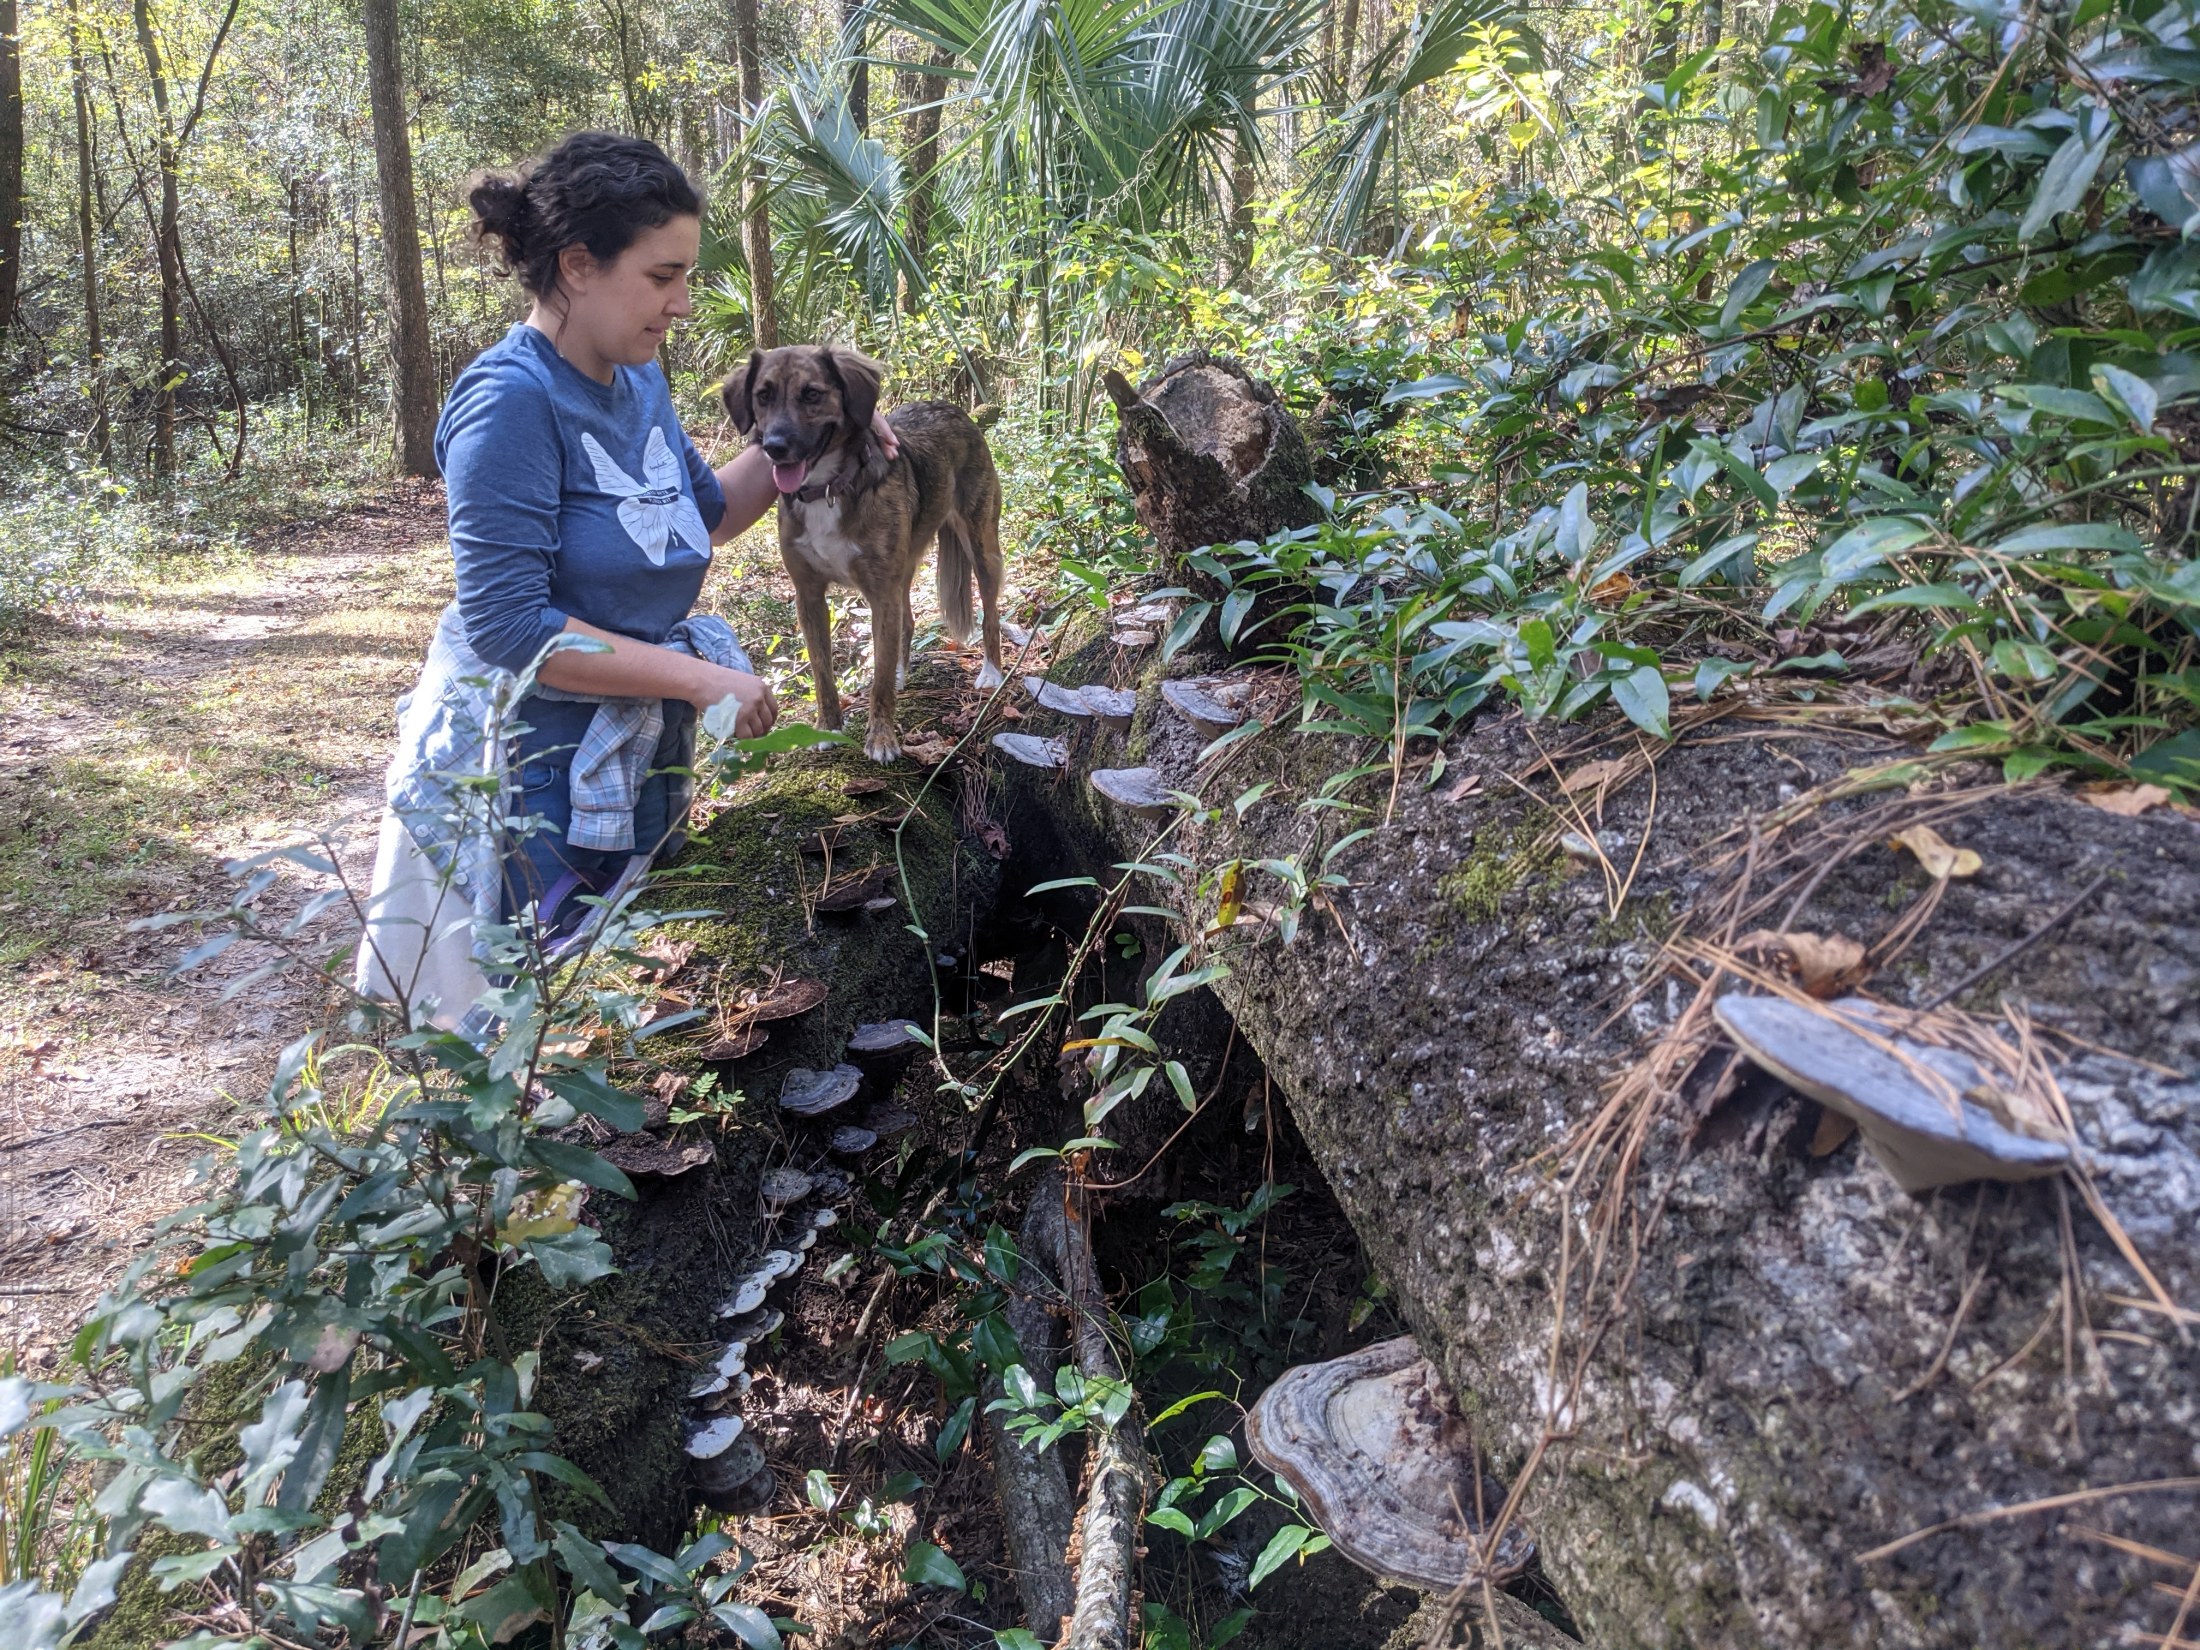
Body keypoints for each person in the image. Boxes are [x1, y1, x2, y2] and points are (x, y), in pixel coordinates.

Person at [354, 131, 896, 1032]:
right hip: (530, 773)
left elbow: (701, 515)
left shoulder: (634, 380)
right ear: (577, 266)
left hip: (632, 743)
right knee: (532, 1014)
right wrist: (697, 676)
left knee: (629, 999)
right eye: (663, 276)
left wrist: (827, 439)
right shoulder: (511, 403)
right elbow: (510, 628)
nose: (683, 303)